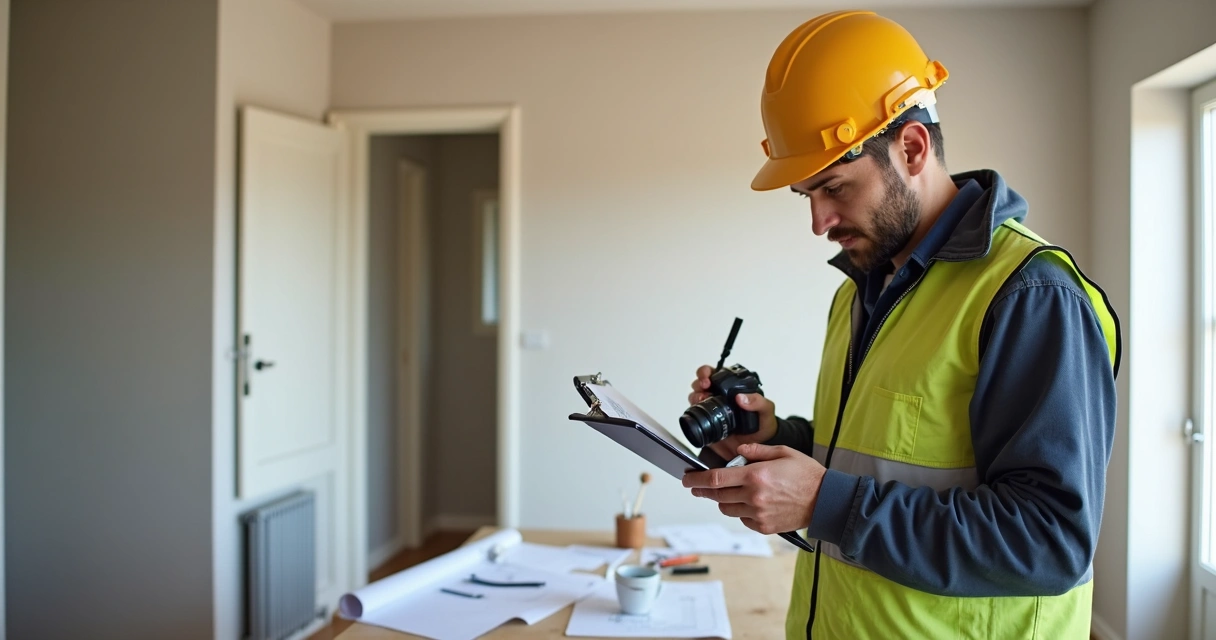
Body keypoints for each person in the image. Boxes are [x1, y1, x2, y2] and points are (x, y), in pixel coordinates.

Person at [679, 10, 1121, 640]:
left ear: (911, 148)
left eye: (834, 188)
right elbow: (873, 466)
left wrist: (821, 503)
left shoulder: (1029, 296)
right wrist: (773, 437)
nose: (819, 222)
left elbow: (1049, 542)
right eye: (807, 196)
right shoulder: (861, 290)